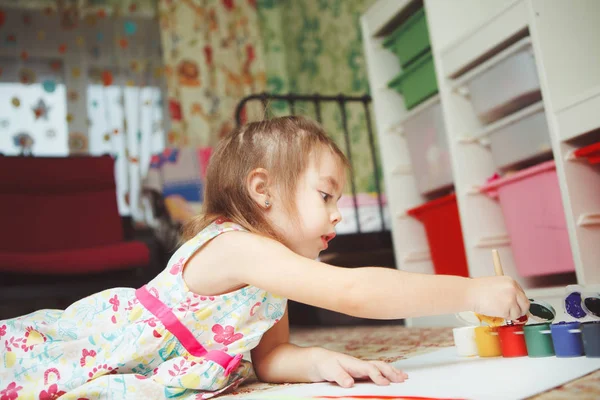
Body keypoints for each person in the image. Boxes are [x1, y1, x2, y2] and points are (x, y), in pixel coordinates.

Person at [0, 116, 529, 399]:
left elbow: (269, 358)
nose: (338, 215)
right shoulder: (237, 247)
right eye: (326, 196)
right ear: (263, 190)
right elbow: (349, 291)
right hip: (92, 350)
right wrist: (472, 290)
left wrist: (322, 361)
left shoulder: (269, 278)